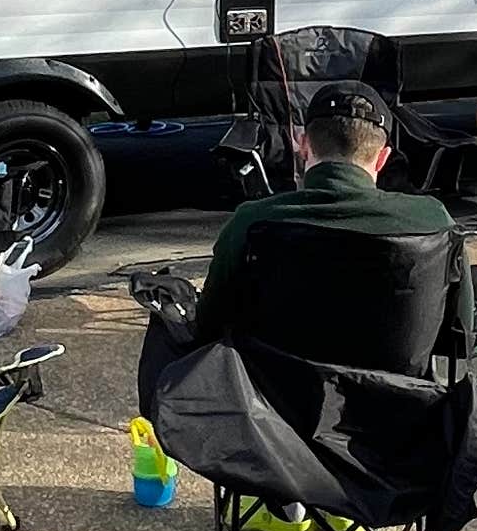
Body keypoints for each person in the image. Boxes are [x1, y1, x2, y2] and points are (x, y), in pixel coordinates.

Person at [188, 81, 453, 348]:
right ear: (383, 158)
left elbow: (208, 324)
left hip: (276, 384)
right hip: (398, 387)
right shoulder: (433, 221)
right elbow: (463, 333)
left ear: (303, 145)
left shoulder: (252, 221)